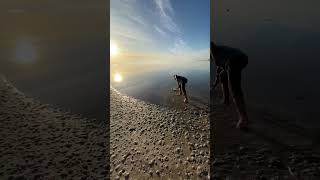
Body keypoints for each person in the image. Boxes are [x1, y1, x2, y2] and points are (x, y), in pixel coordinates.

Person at [211, 41, 249, 129]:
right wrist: (215, 83)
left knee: (235, 89)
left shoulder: (215, 52)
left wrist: (214, 83)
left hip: (235, 60)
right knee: (222, 75)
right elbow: (219, 71)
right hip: (240, 58)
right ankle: (226, 100)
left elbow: (210, 44)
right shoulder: (219, 54)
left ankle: (244, 119)